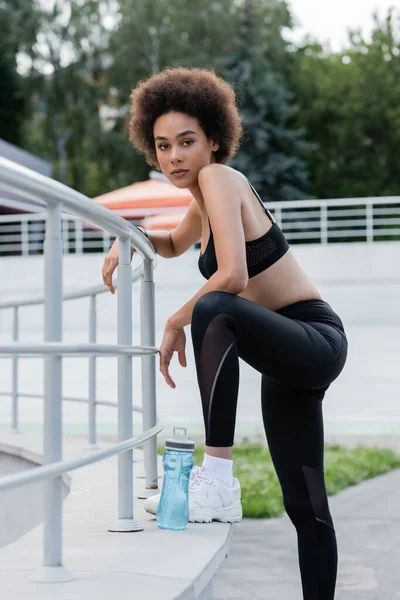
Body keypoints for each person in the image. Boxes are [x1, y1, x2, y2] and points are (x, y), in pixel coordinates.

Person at [102, 67, 348, 600]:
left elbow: (232, 278)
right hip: (289, 355)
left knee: (215, 305)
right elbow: (171, 245)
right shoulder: (200, 200)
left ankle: (216, 479)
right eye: (163, 145)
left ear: (214, 139)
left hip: (313, 335)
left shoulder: (219, 178)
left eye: (187, 142)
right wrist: (134, 235)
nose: (174, 157)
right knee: (306, 505)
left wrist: (175, 321)